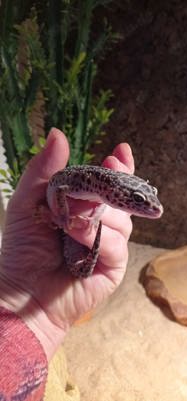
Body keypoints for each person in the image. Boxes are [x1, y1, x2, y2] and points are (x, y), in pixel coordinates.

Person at [0, 128, 134, 399]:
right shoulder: (84, 184)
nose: (154, 210)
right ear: (115, 192)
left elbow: (95, 203)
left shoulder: (101, 190)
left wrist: (95, 215)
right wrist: (61, 216)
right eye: (137, 201)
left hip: (53, 283)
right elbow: (60, 187)